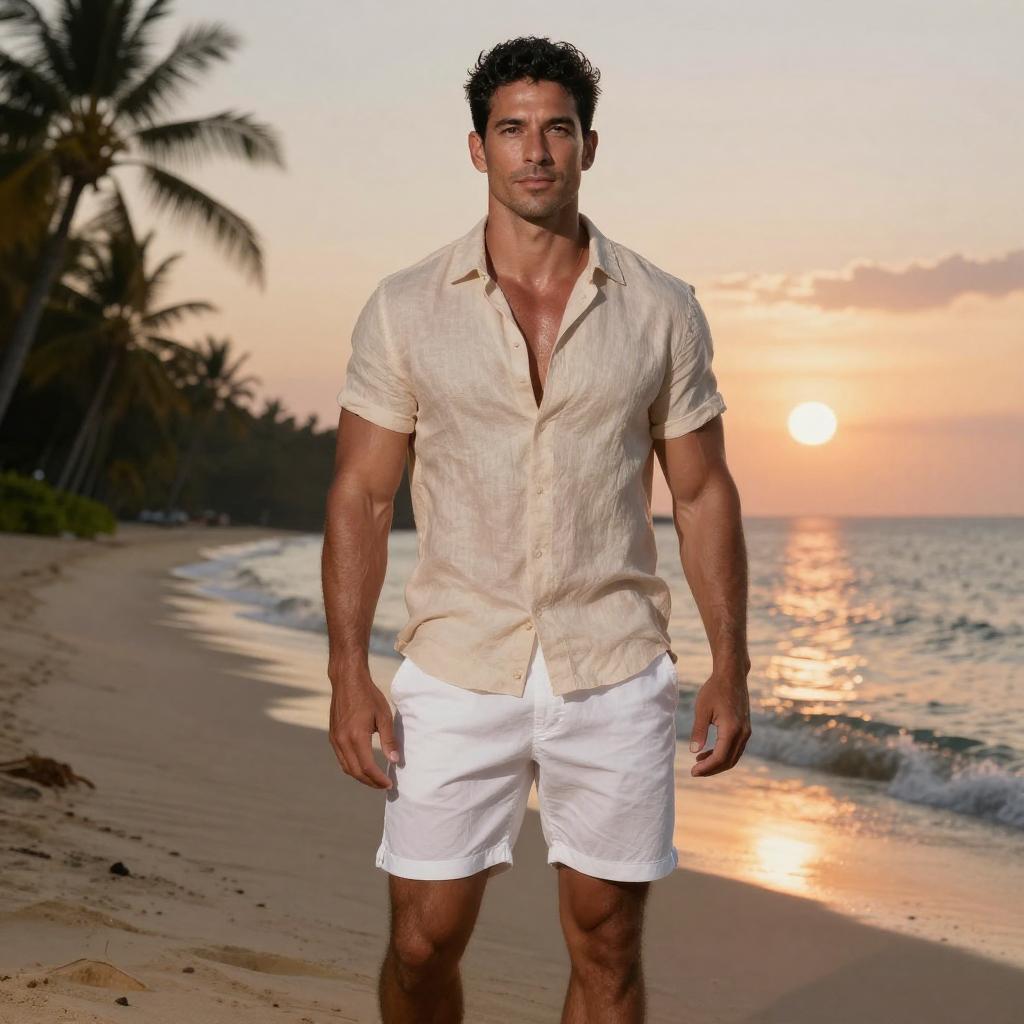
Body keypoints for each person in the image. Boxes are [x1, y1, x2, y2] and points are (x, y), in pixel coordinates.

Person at [323, 34, 752, 1024]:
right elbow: (362, 494)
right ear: (477, 149)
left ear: (588, 146)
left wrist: (729, 661)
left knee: (606, 941)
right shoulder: (402, 309)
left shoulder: (661, 309)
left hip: (610, 660)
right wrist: (348, 671)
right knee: (422, 939)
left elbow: (701, 494)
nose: (535, 152)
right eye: (511, 129)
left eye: (555, 129)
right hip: (457, 660)